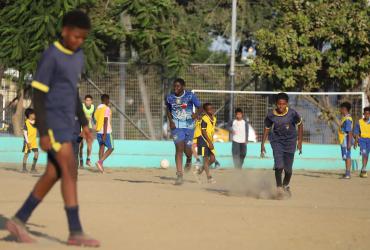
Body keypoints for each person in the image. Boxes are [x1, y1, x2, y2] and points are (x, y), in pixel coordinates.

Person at [5, 10, 100, 247]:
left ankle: (19, 219)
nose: (79, 41)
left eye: (83, 38)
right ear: (65, 31)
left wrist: (85, 123)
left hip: (69, 123)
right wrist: (44, 131)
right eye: (76, 36)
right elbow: (38, 93)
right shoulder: (52, 56)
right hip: (53, 122)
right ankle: (75, 231)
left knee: (54, 173)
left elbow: (74, 93)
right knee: (68, 169)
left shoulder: (78, 56)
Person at [261, 93, 303, 199]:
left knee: (288, 170)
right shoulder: (271, 115)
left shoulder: (292, 114)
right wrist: (262, 143)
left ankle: (285, 185)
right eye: (279, 104)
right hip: (277, 142)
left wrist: (300, 141)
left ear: (287, 104)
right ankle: (279, 188)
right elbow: (266, 128)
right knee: (279, 166)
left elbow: (300, 125)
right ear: (276, 104)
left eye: (283, 104)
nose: (281, 106)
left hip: (290, 142)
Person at [166, 78, 202, 185]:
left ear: (183, 87)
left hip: (189, 126)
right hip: (176, 126)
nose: (176, 88)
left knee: (187, 150)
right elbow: (168, 109)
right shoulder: (169, 97)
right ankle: (179, 175)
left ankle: (189, 159)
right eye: (174, 86)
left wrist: (196, 114)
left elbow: (200, 107)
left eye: (178, 86)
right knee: (179, 148)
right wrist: (170, 121)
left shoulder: (190, 96)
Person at [194, 103, 217, 184]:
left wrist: (211, 141)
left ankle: (199, 172)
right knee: (205, 159)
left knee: (213, 159)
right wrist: (210, 142)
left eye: (212, 108)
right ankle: (209, 177)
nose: (211, 110)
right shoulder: (204, 118)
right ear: (205, 111)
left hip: (209, 141)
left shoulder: (214, 118)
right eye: (209, 109)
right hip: (202, 140)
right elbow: (203, 131)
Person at [94, 94, 114, 173]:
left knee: (101, 147)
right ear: (106, 100)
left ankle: (101, 169)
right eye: (108, 100)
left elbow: (95, 119)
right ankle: (100, 162)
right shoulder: (107, 108)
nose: (109, 101)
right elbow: (105, 121)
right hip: (106, 131)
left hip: (99, 131)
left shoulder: (98, 108)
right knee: (111, 148)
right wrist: (105, 134)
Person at [79, 95, 95, 168]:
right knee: (80, 145)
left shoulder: (93, 107)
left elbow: (94, 117)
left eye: (89, 100)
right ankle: (81, 160)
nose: (88, 102)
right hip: (81, 128)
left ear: (91, 101)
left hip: (89, 128)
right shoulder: (82, 106)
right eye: (86, 100)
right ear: (84, 101)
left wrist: (94, 124)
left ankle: (88, 159)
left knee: (89, 145)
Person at [338, 102, 353, 179]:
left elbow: (349, 132)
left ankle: (348, 174)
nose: (340, 110)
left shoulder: (347, 119)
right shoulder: (345, 118)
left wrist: (349, 143)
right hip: (343, 141)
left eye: (341, 109)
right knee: (345, 157)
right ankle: (347, 172)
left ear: (344, 109)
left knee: (347, 156)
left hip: (346, 141)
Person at [354, 107, 370, 178]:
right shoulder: (359, 122)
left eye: (368, 113)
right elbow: (356, 132)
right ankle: (364, 169)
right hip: (362, 140)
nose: (367, 115)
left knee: (366, 155)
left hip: (369, 140)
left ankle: (363, 168)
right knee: (364, 153)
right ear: (363, 114)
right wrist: (356, 141)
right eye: (365, 113)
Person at [22, 108, 38, 173]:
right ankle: (24, 168)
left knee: (36, 154)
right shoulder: (26, 123)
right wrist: (27, 142)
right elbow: (25, 133)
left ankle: (33, 168)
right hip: (28, 141)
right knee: (26, 154)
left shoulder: (36, 122)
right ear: (29, 115)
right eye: (33, 114)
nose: (34, 115)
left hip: (34, 141)